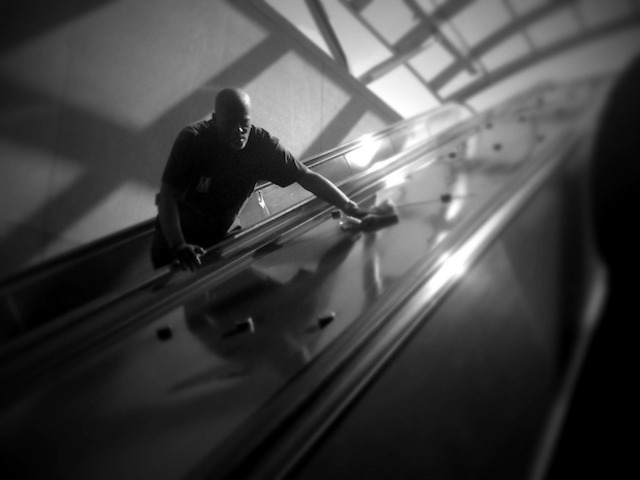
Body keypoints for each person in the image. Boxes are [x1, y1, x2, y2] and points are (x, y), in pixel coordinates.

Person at [151, 87, 368, 270]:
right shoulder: (193, 140)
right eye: (229, 123)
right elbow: (168, 196)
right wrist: (178, 245)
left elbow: (305, 176)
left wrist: (349, 206)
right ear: (215, 120)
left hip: (218, 240)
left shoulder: (262, 146)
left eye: (244, 123)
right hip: (174, 239)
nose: (238, 130)